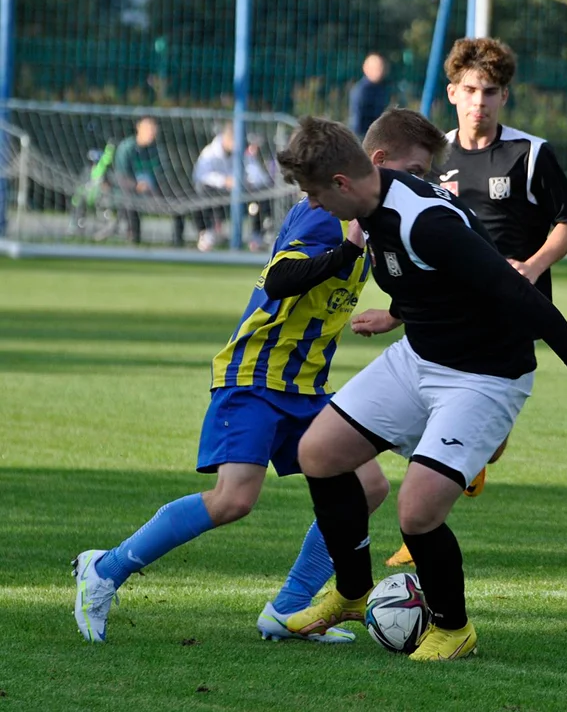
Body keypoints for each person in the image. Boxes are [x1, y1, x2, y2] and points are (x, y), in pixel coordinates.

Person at [71, 108, 449, 645]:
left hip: (306, 386)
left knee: (367, 486)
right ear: (380, 161)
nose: (423, 182)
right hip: (255, 375)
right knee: (234, 499)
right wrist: (348, 249)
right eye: (417, 170)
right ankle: (104, 570)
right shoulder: (327, 216)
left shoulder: (379, 219)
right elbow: (279, 279)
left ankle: (290, 608)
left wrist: (396, 313)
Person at [273, 116, 567, 661]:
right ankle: (352, 593)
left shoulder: (422, 219)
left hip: (486, 375)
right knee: (320, 452)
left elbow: (508, 286)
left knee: (417, 510)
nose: (313, 203)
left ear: (343, 182)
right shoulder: (371, 210)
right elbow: (435, 281)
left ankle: (453, 627)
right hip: (420, 357)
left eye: (314, 192)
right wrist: (400, 313)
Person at [379, 39, 567, 568]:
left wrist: (533, 268)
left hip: (511, 310)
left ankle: (443, 489)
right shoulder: (432, 156)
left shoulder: (529, 153)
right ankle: (418, 524)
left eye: (490, 92)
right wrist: (398, 311)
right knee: (434, 411)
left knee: (481, 440)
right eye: (470, 90)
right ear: (452, 92)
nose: (480, 102)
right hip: (447, 313)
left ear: (504, 96)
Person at [191, 122, 274, 252]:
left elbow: (258, 175)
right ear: (227, 138)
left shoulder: (242, 153)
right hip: (217, 194)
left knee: (262, 194)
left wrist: (247, 181)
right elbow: (199, 176)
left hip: (240, 195)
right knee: (201, 192)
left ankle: (257, 237)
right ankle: (206, 234)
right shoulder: (210, 153)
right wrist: (224, 181)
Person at [111, 116, 184, 246]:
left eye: (153, 128)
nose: (151, 132)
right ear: (138, 128)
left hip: (152, 191)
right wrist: (137, 186)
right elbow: (121, 177)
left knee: (178, 199)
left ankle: (178, 241)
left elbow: (163, 175)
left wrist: (158, 188)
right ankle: (135, 238)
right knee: (130, 201)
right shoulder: (126, 149)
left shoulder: (157, 150)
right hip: (129, 192)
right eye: (148, 128)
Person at [349, 53, 390, 139]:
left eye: (382, 67)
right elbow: (357, 121)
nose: (381, 70)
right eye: (376, 68)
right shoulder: (362, 91)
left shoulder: (381, 88)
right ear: (366, 69)